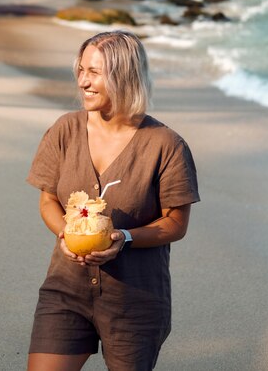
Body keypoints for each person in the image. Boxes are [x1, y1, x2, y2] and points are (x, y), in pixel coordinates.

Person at [26, 30, 200, 371]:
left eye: (94, 72)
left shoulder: (165, 145)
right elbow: (48, 200)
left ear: (124, 76)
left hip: (135, 300)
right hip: (65, 289)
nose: (82, 82)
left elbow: (176, 223)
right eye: (81, 70)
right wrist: (66, 234)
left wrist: (124, 238)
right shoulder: (65, 130)